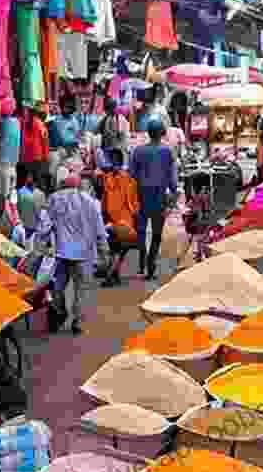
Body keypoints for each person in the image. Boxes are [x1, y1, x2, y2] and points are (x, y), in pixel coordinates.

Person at [37, 176, 109, 335]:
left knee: (58, 287)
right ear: (78, 186)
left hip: (62, 253)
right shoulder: (89, 201)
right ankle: (77, 322)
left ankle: (60, 311)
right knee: (80, 289)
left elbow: (44, 225)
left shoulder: (55, 199)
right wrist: (104, 252)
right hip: (83, 254)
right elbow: (99, 229)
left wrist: (41, 243)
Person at [129, 116, 177, 280]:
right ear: (162, 133)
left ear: (149, 133)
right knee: (157, 232)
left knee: (141, 231)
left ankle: (142, 263)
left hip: (141, 195)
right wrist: (174, 191)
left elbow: (132, 176)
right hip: (159, 196)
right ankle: (151, 264)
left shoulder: (138, 151)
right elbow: (172, 177)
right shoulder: (167, 151)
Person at [99, 149, 139, 288]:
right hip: (120, 221)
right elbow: (133, 204)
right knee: (118, 250)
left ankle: (112, 275)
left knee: (117, 249)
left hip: (120, 221)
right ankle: (113, 274)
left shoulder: (124, 179)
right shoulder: (123, 179)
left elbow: (130, 202)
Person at [21, 102, 50, 190]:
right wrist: (46, 157)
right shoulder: (40, 124)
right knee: (39, 182)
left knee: (26, 182)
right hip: (37, 157)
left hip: (26, 157)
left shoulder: (25, 122)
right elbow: (44, 141)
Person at [97, 98, 130, 169]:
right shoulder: (104, 120)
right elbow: (99, 132)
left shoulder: (121, 119)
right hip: (108, 152)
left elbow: (123, 137)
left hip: (119, 153)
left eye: (109, 109)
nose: (106, 111)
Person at [17, 173, 47, 240]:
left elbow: (43, 211)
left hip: (29, 226)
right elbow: (18, 208)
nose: (28, 179)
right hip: (28, 226)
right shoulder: (21, 192)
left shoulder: (40, 194)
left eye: (29, 178)